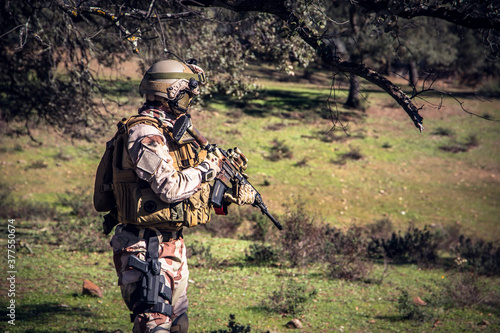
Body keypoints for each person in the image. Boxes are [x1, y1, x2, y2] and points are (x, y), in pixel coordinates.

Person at [106, 59, 253, 333]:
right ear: (171, 92)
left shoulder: (169, 130)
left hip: (172, 245)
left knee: (177, 326)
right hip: (145, 247)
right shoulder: (145, 133)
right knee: (155, 325)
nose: (189, 101)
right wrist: (209, 167)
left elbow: (187, 186)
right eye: (186, 94)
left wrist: (226, 191)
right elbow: (170, 188)